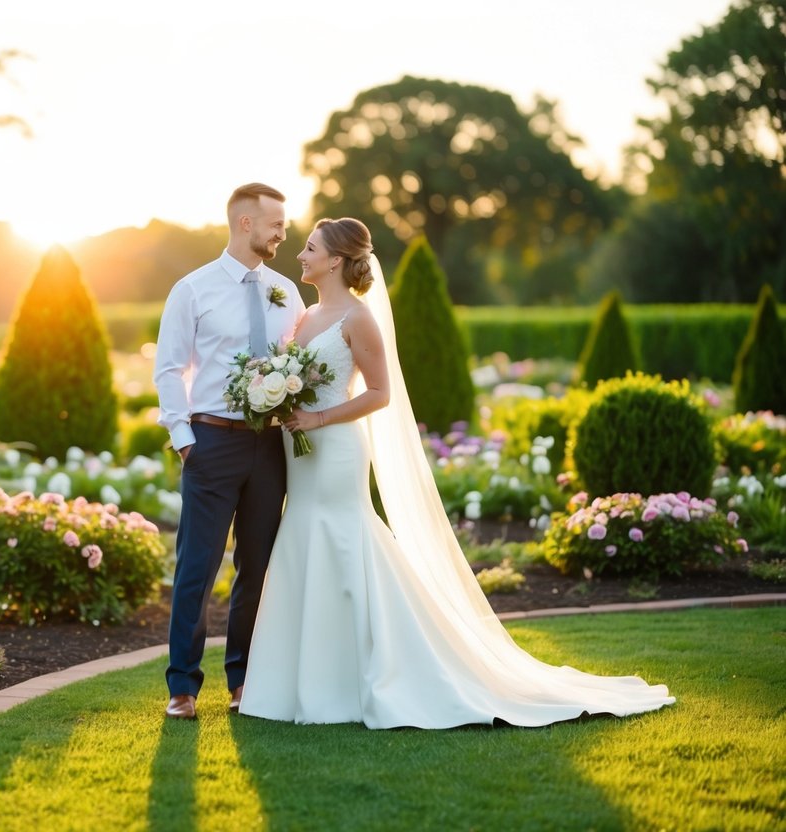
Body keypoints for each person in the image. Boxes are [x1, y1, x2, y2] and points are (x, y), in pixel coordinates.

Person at [239, 218, 674, 728]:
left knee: (340, 536)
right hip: (300, 451)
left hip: (334, 449)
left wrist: (318, 418)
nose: (301, 255)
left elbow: (380, 393)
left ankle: (365, 675)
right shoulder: (307, 316)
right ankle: (300, 682)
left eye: (310, 248)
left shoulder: (359, 319)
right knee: (303, 532)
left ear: (335, 260)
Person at [153, 183, 305, 719]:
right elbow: (169, 368)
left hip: (270, 447)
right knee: (196, 568)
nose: (283, 233)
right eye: (276, 223)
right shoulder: (192, 290)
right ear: (246, 223)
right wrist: (185, 441)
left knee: (256, 567)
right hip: (212, 442)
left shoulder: (287, 291)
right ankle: (182, 687)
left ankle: (243, 680)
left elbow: (300, 361)